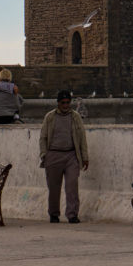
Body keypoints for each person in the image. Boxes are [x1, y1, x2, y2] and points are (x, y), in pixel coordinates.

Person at [39, 90, 90, 224]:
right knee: (54, 188)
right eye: (63, 103)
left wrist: (85, 157)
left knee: (72, 186)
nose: (66, 105)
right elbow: (43, 137)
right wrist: (44, 154)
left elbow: (82, 138)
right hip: (53, 154)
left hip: (71, 155)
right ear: (58, 103)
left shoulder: (76, 117)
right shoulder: (50, 117)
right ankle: (54, 214)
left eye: (68, 102)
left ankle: (72, 214)